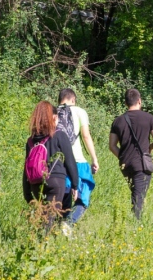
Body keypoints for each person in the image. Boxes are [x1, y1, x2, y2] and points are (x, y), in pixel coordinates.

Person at [23, 102, 79, 232]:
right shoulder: (59, 135)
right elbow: (70, 161)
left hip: (36, 183)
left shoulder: (31, 141)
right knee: (50, 217)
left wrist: (27, 191)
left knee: (42, 216)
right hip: (55, 181)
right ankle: (44, 243)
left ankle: (40, 241)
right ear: (53, 117)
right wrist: (75, 185)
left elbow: (26, 168)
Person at [110, 89, 153, 219]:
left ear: (126, 103)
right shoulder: (149, 118)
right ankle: (135, 226)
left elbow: (112, 146)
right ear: (139, 101)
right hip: (141, 164)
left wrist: (122, 156)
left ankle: (135, 222)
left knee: (136, 193)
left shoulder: (118, 121)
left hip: (125, 165)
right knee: (138, 198)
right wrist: (149, 148)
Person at [56, 89, 99, 234]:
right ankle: (68, 224)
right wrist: (94, 158)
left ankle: (58, 228)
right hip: (77, 162)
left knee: (63, 197)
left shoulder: (52, 112)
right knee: (82, 198)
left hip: (57, 163)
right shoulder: (79, 111)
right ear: (73, 100)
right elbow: (86, 136)